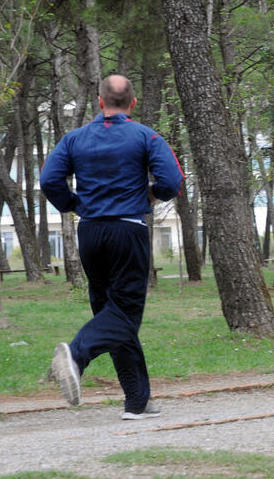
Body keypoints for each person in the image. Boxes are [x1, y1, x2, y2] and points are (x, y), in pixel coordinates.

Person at [40, 74, 184, 420]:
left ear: (100, 101)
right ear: (132, 103)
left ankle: (137, 401)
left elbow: (48, 180)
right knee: (124, 314)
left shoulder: (73, 139)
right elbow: (172, 181)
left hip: (90, 234)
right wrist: (152, 194)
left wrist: (73, 203)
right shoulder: (145, 136)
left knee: (111, 313)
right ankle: (75, 355)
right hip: (127, 231)